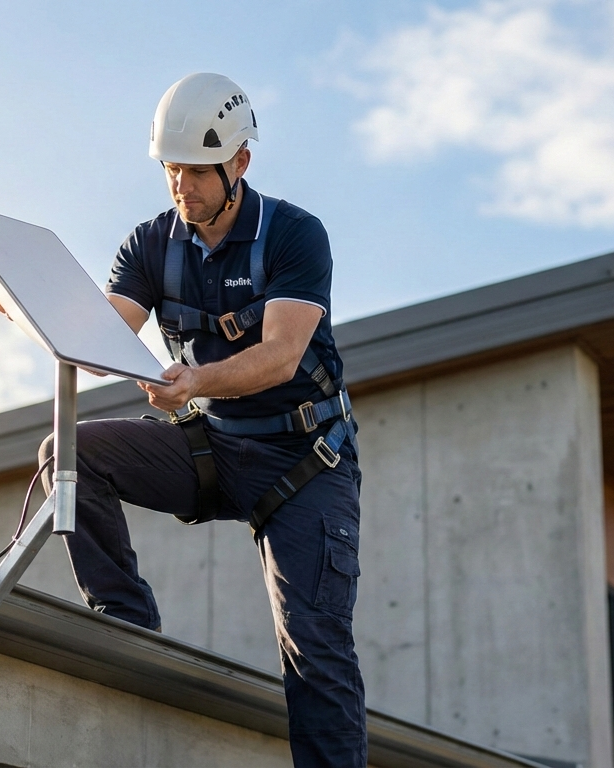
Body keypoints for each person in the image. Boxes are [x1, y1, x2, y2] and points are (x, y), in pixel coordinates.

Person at [68, 73, 365, 766]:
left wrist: (197, 379)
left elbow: (282, 356)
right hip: (215, 452)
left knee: (314, 651)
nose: (182, 187)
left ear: (240, 163)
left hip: (305, 464)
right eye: (171, 170)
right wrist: (36, 313)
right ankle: (129, 626)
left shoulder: (294, 235)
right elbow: (98, 348)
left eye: (197, 172)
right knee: (72, 451)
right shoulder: (148, 245)